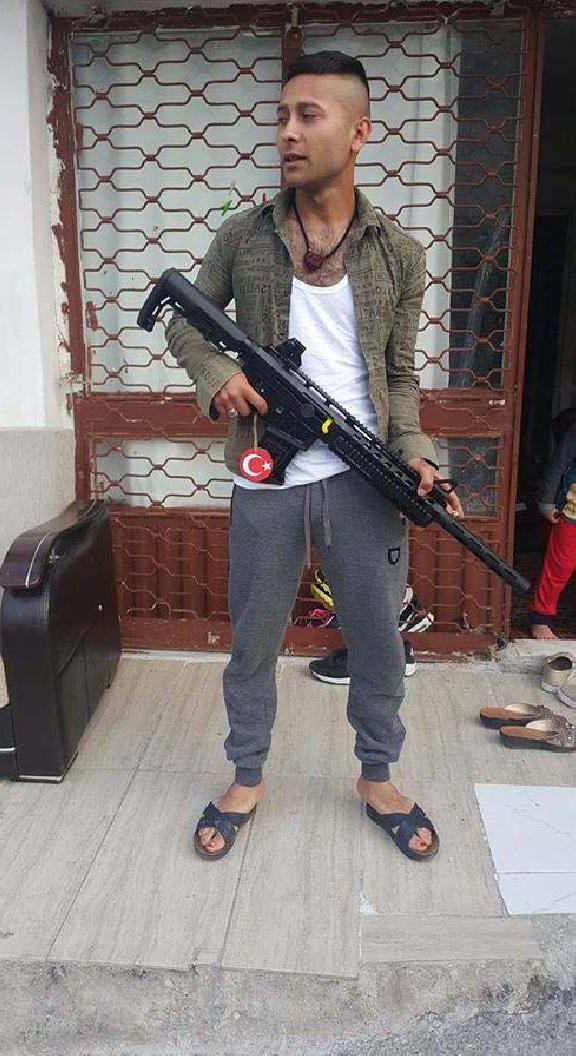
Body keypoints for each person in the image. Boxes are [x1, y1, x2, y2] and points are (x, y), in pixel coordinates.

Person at [167, 50, 463, 863]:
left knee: (378, 641)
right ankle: (247, 776)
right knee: (253, 643)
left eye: (309, 115)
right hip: (268, 477)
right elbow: (186, 318)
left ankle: (378, 777)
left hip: (364, 479)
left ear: (359, 132)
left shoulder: (398, 253)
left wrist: (416, 455)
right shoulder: (245, 236)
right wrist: (218, 375)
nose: (288, 133)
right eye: (282, 116)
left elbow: (398, 376)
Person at [528, 410, 576, 640]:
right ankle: (540, 618)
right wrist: (546, 503)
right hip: (573, 513)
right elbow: (559, 463)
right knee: (559, 567)